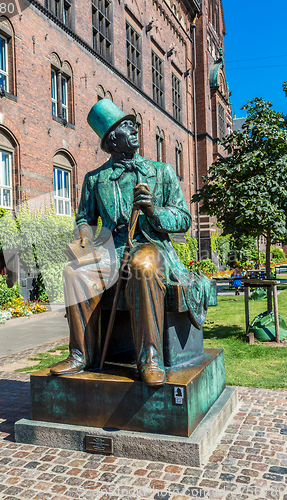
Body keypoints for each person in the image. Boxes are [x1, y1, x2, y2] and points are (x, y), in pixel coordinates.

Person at [50, 99, 214, 387]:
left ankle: (150, 359)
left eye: (134, 124)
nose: (135, 129)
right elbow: (84, 219)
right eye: (127, 126)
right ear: (112, 139)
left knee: (143, 264)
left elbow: (183, 218)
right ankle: (81, 354)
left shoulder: (160, 172)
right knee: (74, 272)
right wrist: (85, 235)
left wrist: (153, 211)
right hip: (109, 251)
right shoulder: (95, 179)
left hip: (151, 246)